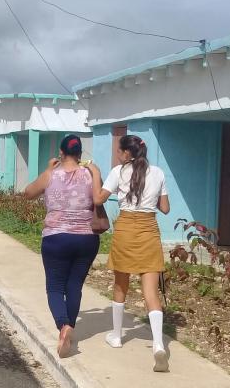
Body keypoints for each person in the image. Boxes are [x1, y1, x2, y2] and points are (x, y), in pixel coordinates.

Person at [86, 134, 171, 372]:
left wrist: (94, 174)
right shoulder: (158, 173)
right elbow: (165, 208)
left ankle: (116, 336)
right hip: (148, 232)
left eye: (118, 151)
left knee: (120, 285)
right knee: (151, 292)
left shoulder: (118, 172)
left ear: (127, 154)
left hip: (125, 230)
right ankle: (157, 344)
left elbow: (98, 198)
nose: (116, 154)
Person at [24, 134, 101, 358]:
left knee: (55, 287)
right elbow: (98, 197)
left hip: (56, 238)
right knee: (74, 285)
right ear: (80, 154)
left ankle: (63, 326)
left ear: (61, 152)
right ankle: (70, 328)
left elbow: (28, 193)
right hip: (87, 238)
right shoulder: (90, 172)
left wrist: (48, 170)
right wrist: (95, 171)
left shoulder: (52, 174)